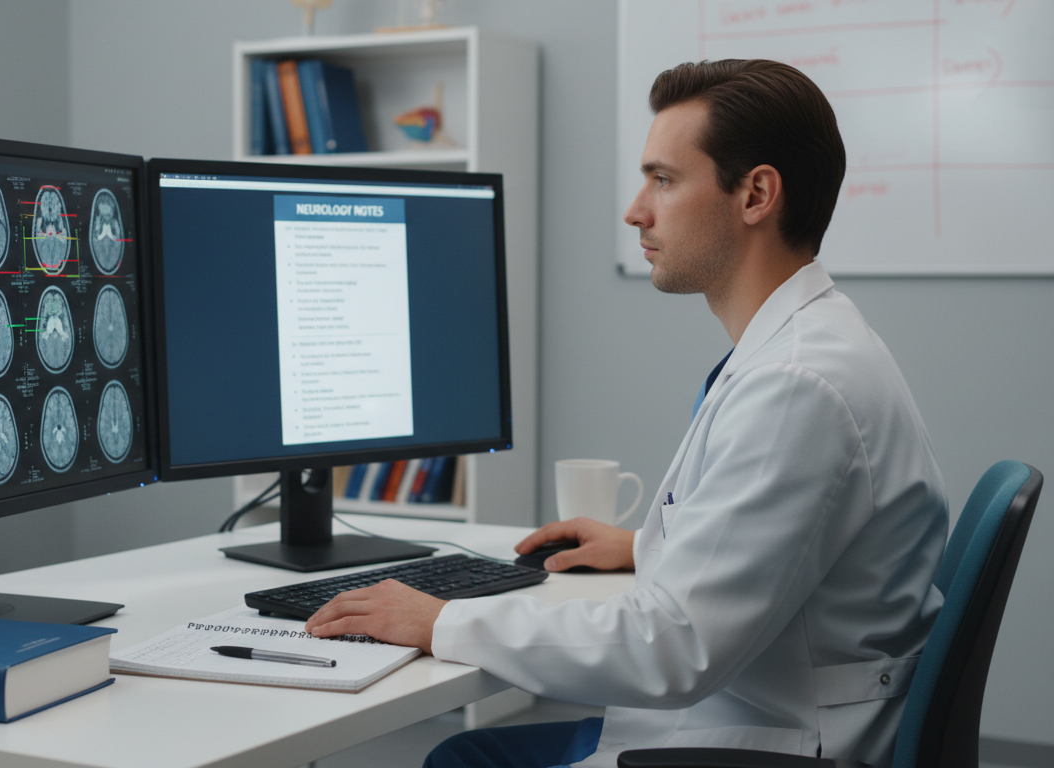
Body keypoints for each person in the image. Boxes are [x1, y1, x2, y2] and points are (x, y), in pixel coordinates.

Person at [305, 59, 948, 767]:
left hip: (769, 742)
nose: (636, 210)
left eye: (663, 180)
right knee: (471, 754)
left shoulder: (797, 386)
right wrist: (645, 546)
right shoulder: (810, 344)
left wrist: (443, 621)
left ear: (756, 195)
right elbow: (779, 544)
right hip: (762, 710)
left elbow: (673, 648)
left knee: (461, 761)